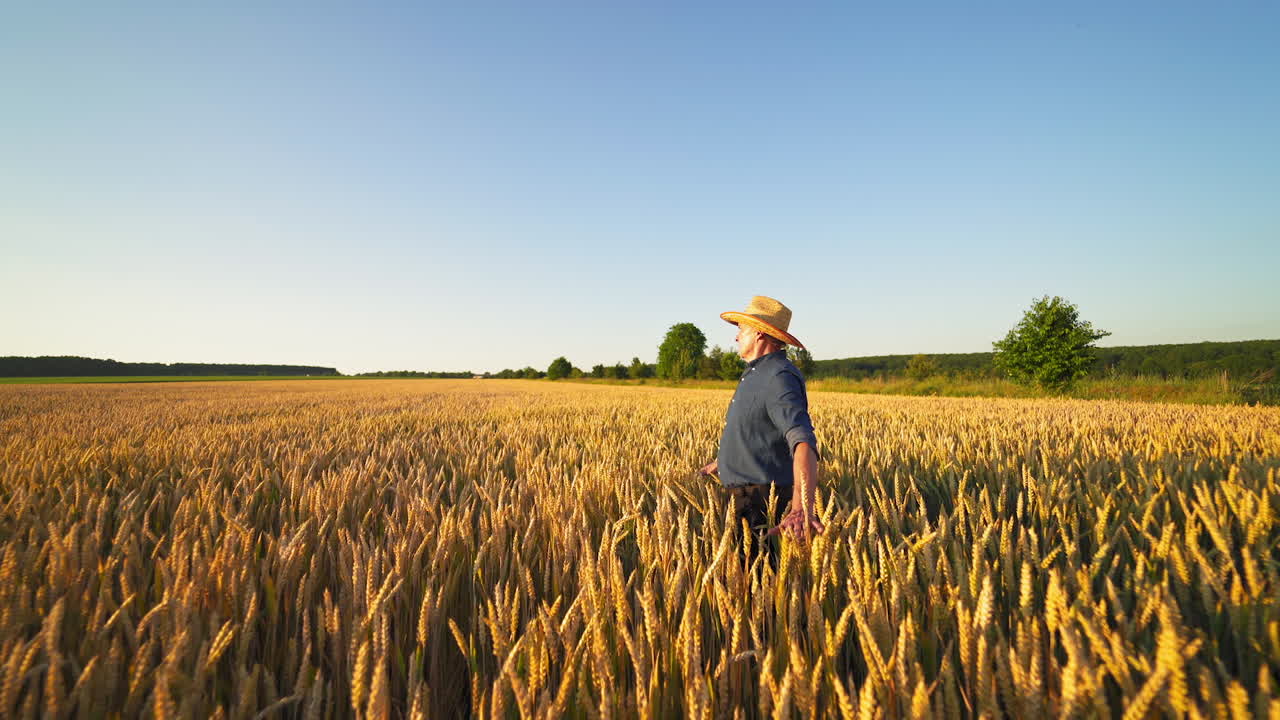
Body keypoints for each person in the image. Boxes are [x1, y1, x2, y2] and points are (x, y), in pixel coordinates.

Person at [698, 296, 824, 553]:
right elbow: (758, 431)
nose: (736, 338)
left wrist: (801, 507)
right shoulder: (756, 372)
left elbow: (802, 441)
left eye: (741, 330)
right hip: (745, 497)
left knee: (758, 581)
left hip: (761, 501)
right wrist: (725, 460)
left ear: (758, 334)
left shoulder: (779, 376)